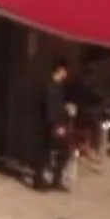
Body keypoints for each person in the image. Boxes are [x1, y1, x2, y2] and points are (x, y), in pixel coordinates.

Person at [41, 60, 76, 191]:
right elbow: (51, 109)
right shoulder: (51, 86)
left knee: (64, 152)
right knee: (61, 151)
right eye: (65, 71)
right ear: (59, 70)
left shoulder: (58, 86)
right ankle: (49, 180)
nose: (66, 73)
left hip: (58, 123)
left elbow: (57, 106)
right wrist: (57, 126)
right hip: (53, 125)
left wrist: (66, 108)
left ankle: (55, 179)